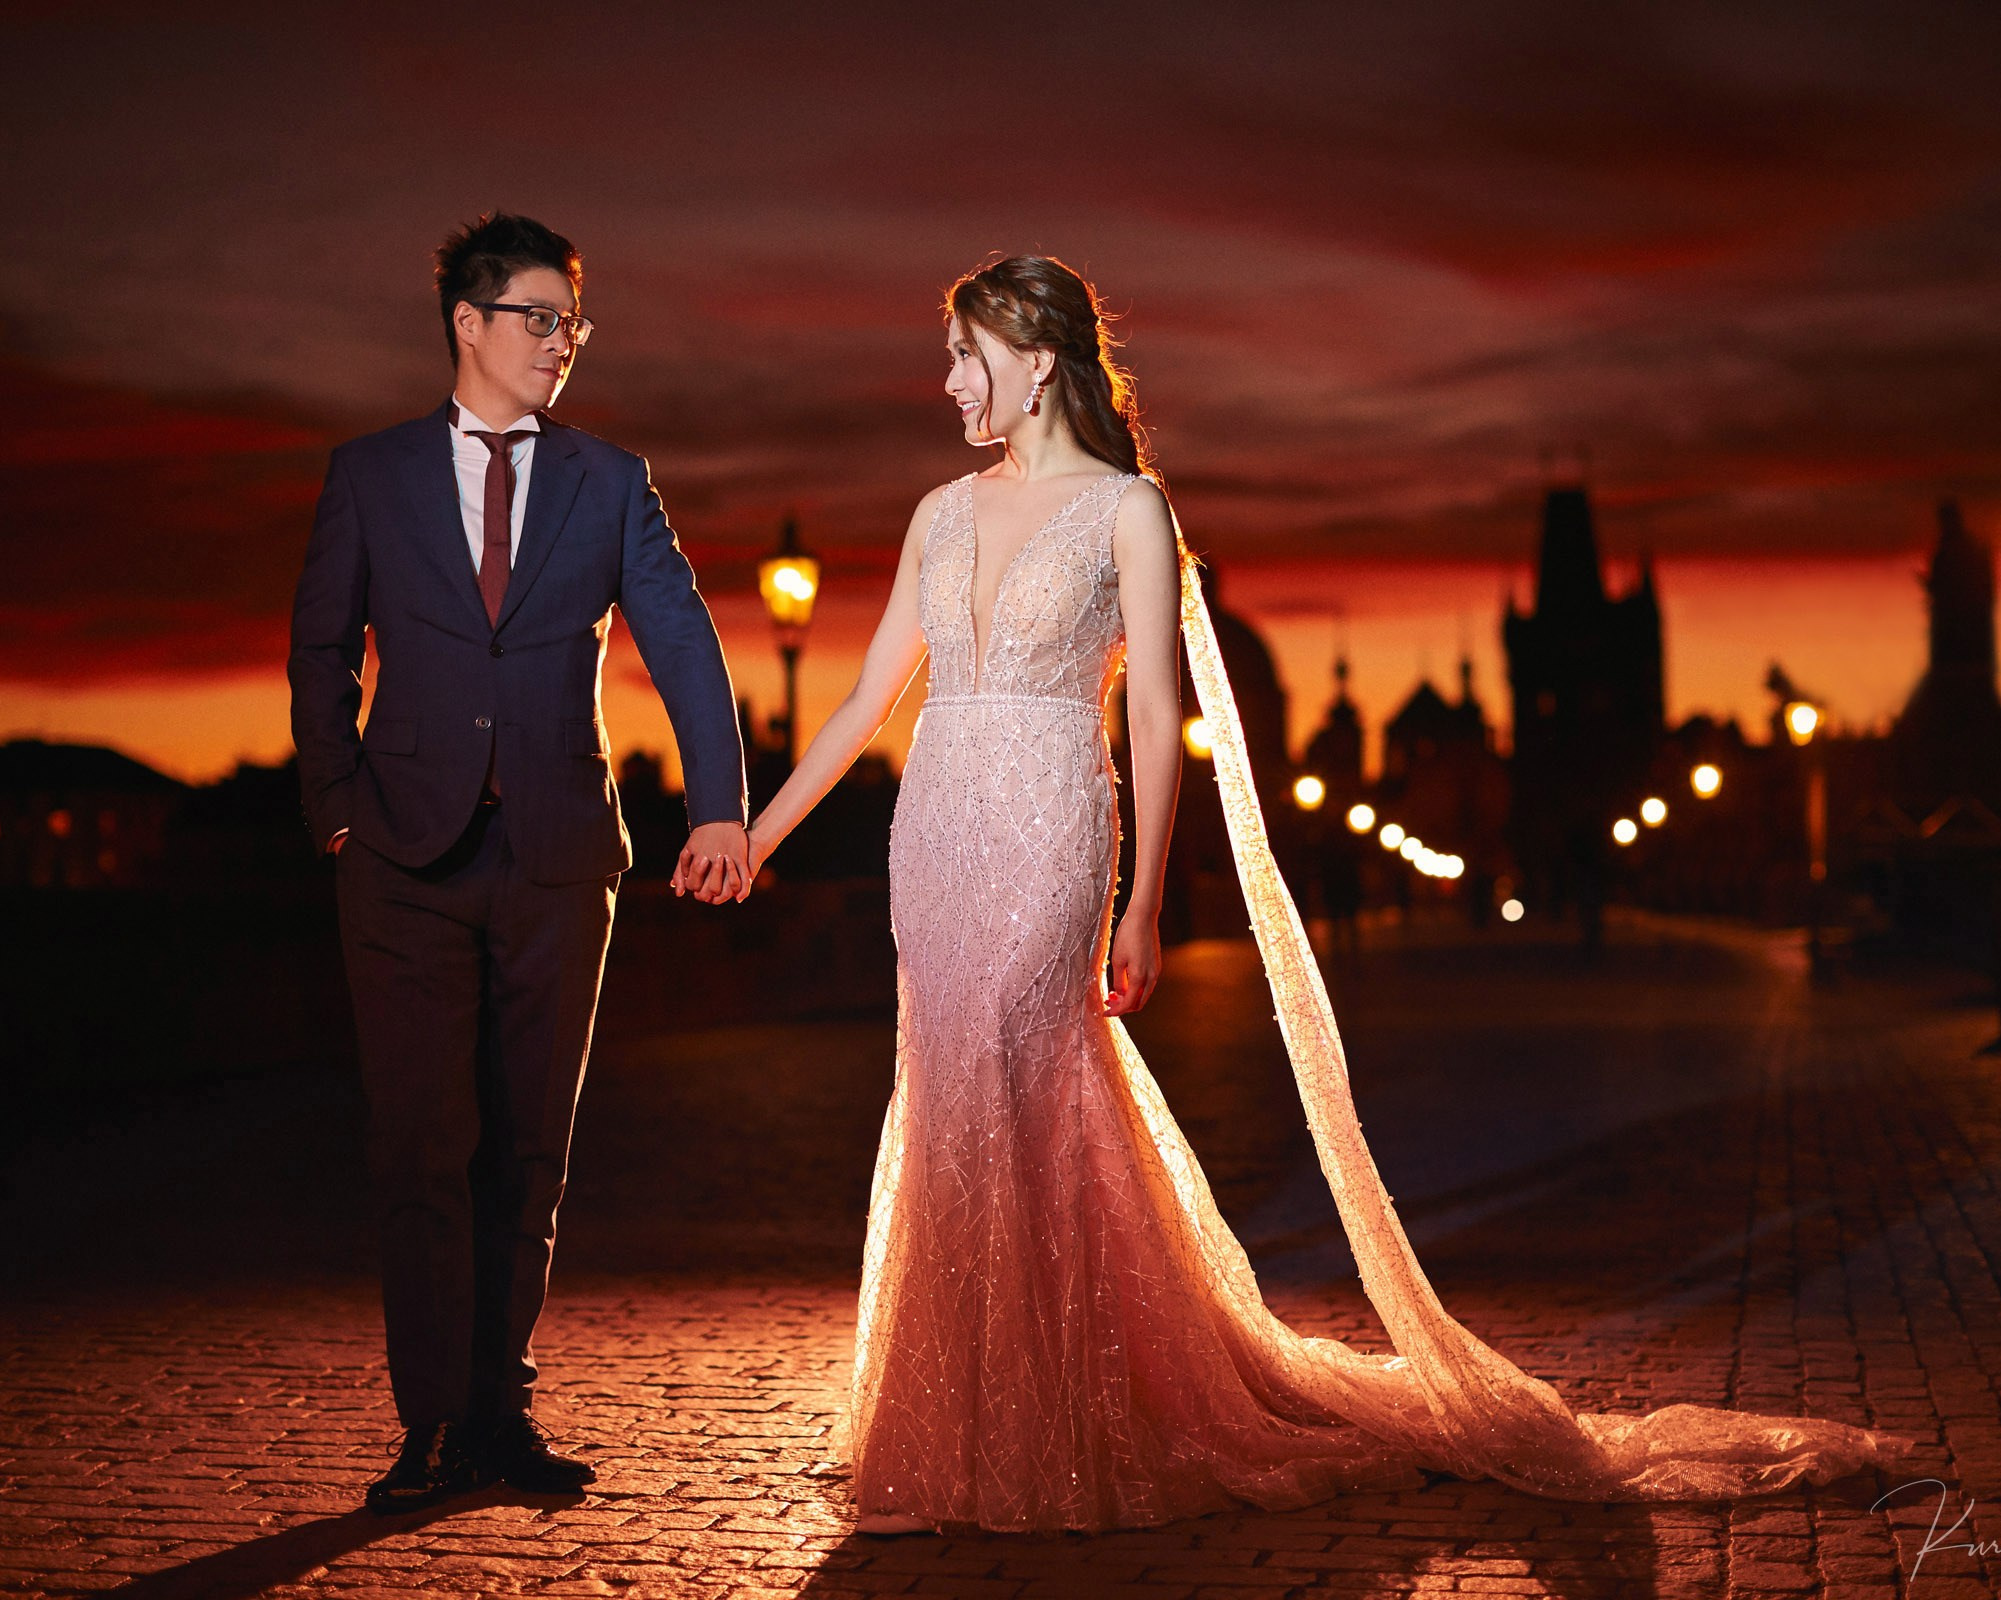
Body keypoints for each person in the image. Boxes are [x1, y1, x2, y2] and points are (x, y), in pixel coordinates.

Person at [741, 255, 1918, 1534]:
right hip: (936, 839)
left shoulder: (1130, 512)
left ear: (1035, 360)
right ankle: (957, 1421)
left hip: (1048, 833)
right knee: (953, 1091)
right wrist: (756, 837)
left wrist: (1135, 903)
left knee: (1029, 1082)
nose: (950, 380)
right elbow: (867, 704)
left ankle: (1065, 1418)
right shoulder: (936, 513)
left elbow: (1152, 713)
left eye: (968, 355)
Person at [287, 213, 754, 1514]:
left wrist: (717, 808)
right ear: (470, 325)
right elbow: (320, 645)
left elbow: (687, 646)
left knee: (530, 1155)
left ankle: (501, 1415)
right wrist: (335, 804)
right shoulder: (370, 475)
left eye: (573, 323)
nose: (562, 343)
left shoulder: (613, 481)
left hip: (559, 856)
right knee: (420, 1147)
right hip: (399, 858)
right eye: (539, 318)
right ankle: (431, 1423)